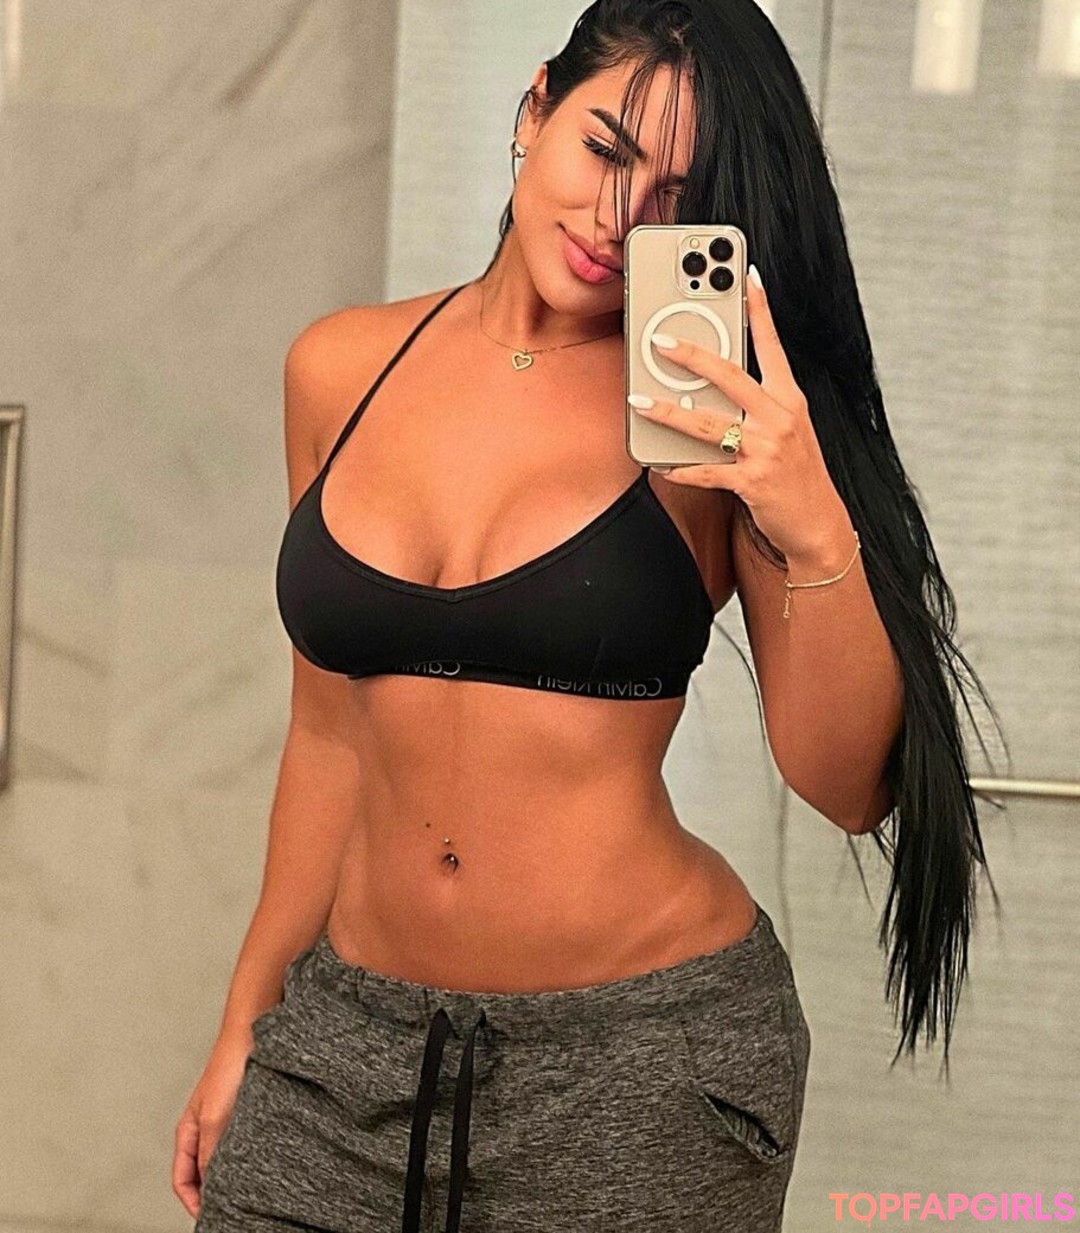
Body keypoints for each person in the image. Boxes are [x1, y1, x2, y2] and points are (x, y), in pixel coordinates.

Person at [174, 1, 1001, 1230]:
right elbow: (332, 732)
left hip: (639, 1062)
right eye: (606, 149)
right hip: (347, 1048)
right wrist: (247, 1018)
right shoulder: (338, 368)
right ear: (537, 107)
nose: (621, 217)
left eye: (676, 196)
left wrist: (813, 521)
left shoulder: (712, 416)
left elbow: (844, 787)